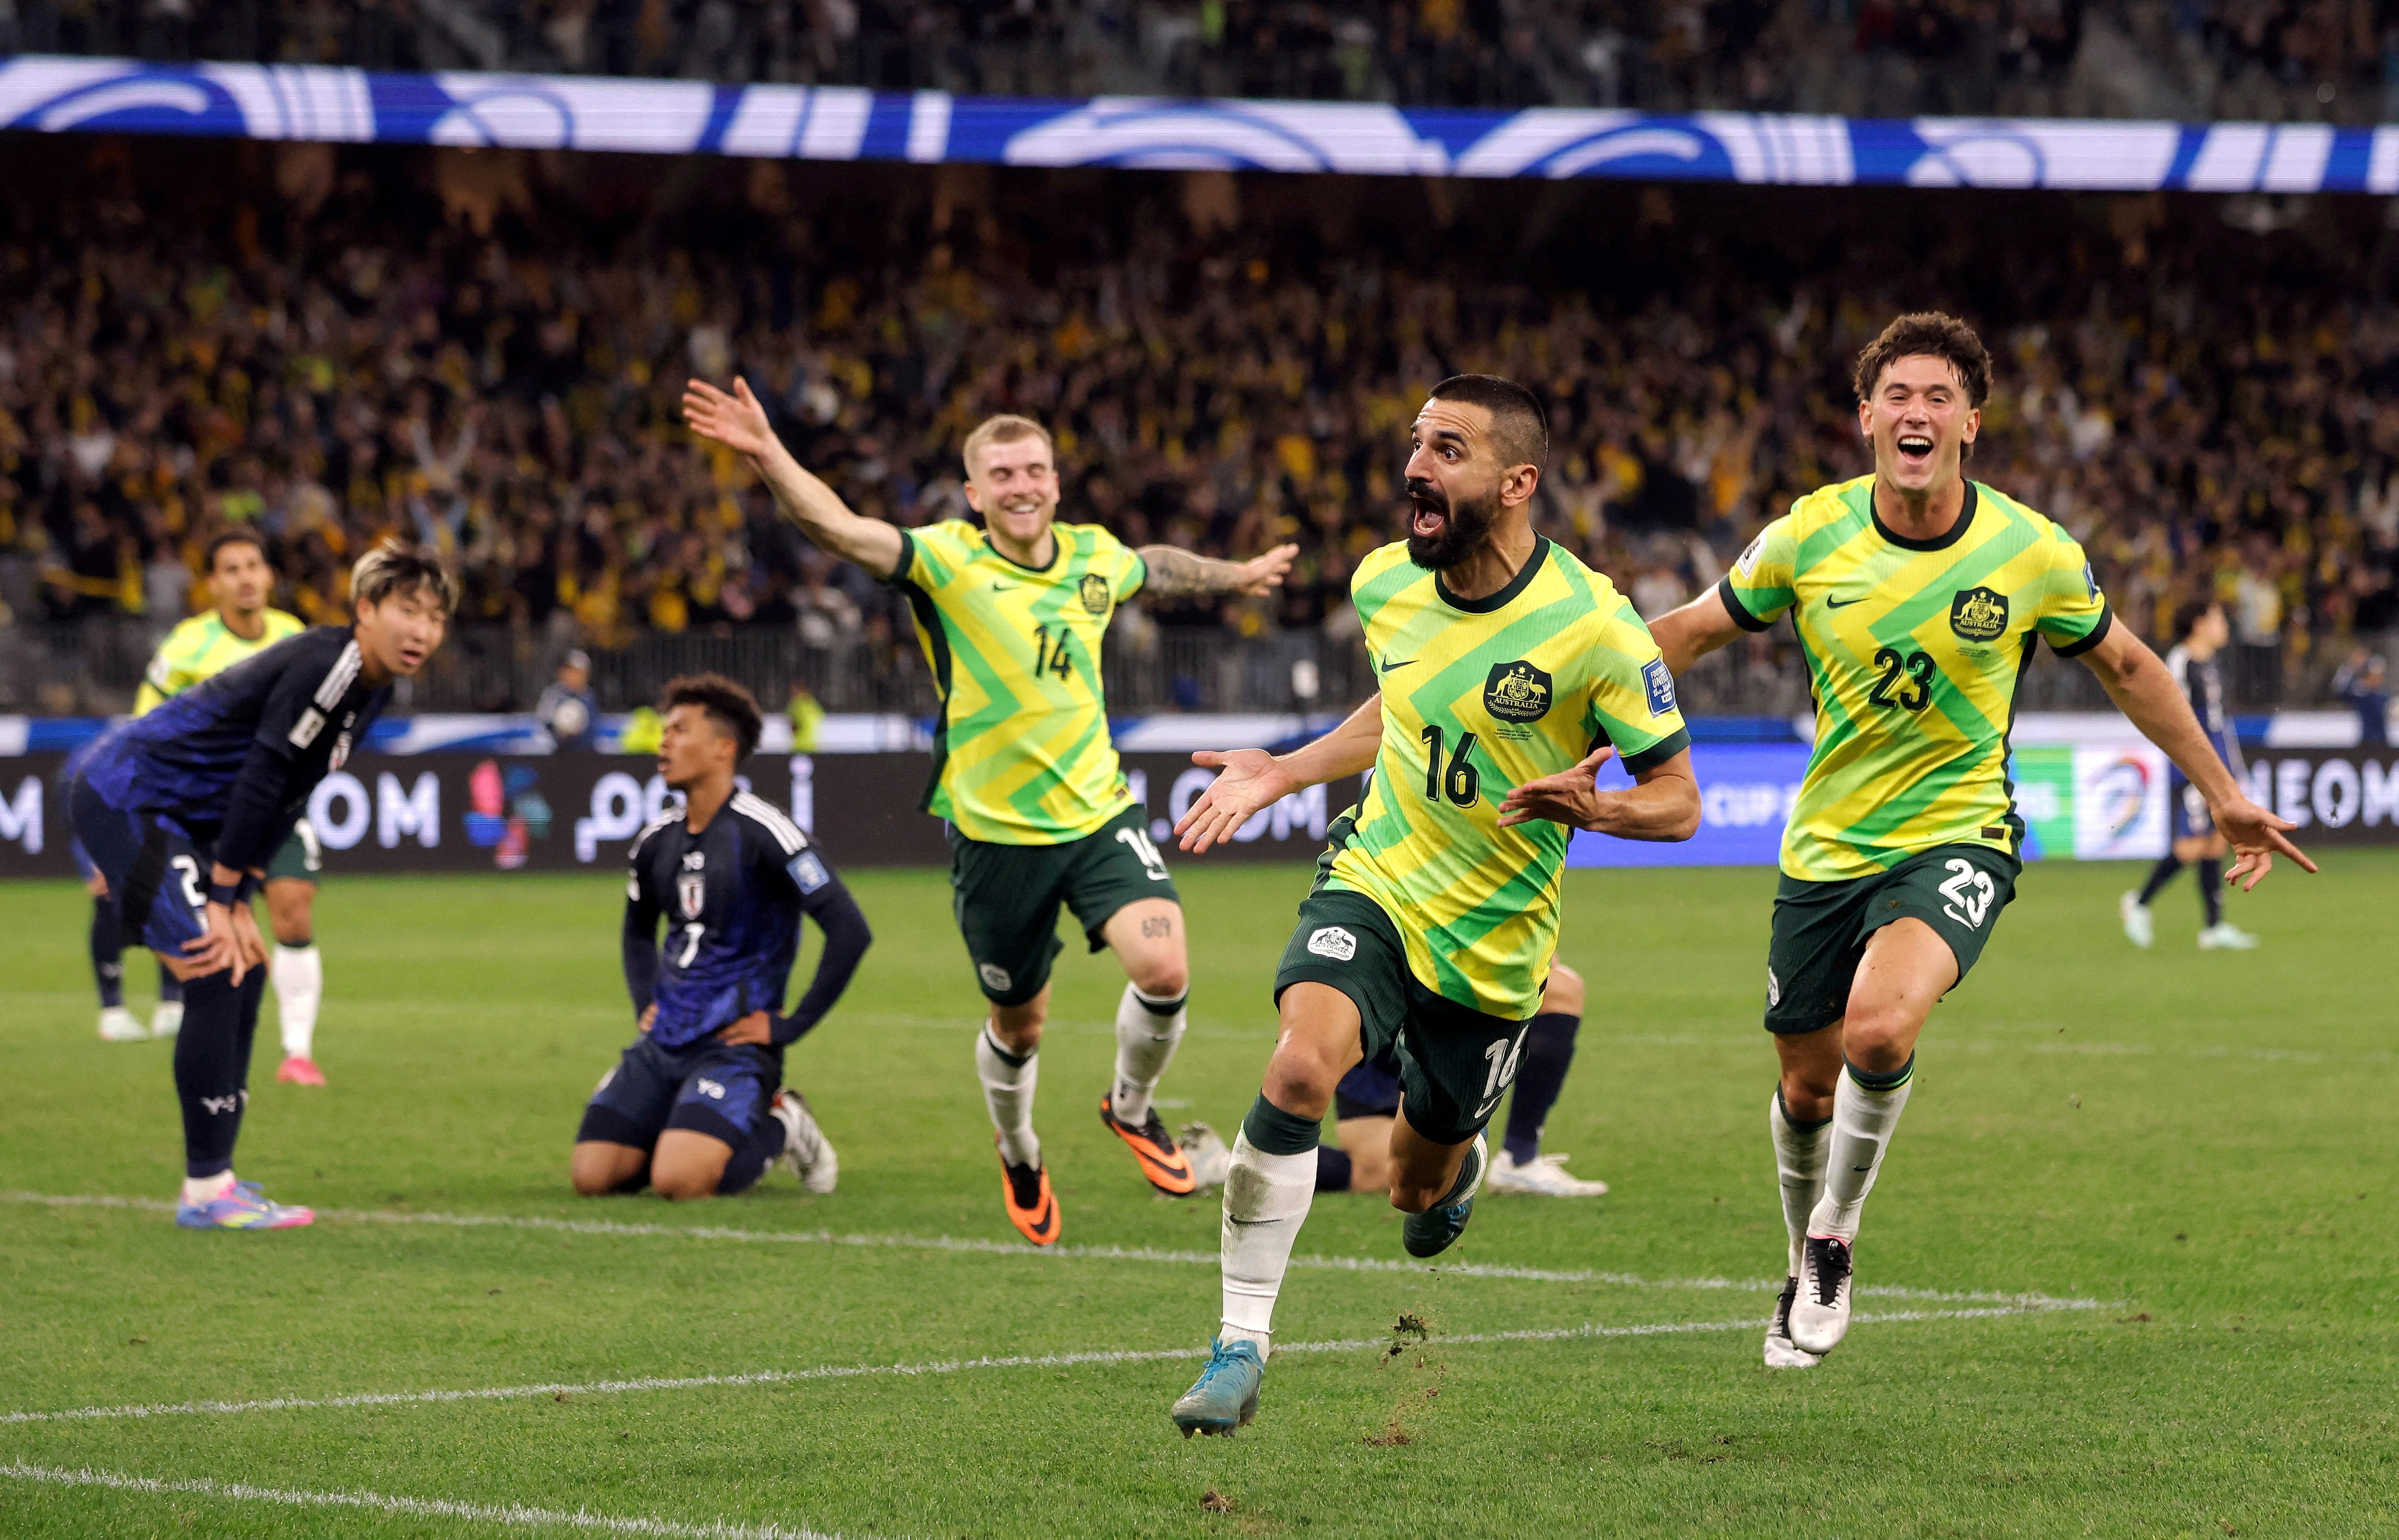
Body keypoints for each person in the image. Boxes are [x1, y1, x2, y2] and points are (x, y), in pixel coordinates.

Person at [1644, 313, 2312, 1368]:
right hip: (1825, 849)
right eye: (1897, 395)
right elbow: (1685, 632)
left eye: (1938, 397)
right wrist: (1584, 712)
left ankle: (1833, 1237)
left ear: (1971, 424)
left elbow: (2130, 667)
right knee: (1807, 1088)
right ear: (1865, 417)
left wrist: (2222, 793)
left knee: (1878, 1031)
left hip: (1960, 833)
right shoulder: (1808, 535)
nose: (1916, 412)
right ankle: (1799, 1255)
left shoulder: (2030, 550)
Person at [1163, 375, 1700, 1436]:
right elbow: (1403, 707)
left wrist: (1597, 810)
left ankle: (1458, 1165)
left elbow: (1680, 801)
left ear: (1517, 483)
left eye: (1448, 450)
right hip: (1378, 879)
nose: (1417, 466)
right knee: (1299, 1068)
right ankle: (1239, 1343)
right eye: (1417, 443)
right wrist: (1285, 770)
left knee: (1414, 1190)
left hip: (1494, 946)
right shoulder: (1384, 584)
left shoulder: (1596, 626)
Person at [683, 376, 1297, 1245]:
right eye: (1002, 474)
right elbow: (841, 528)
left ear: (1056, 481)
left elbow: (1152, 566)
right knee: (1021, 1023)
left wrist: (1237, 575)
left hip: (1098, 815)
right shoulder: (947, 562)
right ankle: (1018, 1147)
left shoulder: (1091, 556)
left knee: (1164, 970)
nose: (1022, 486)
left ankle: (1131, 1107)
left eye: (1034, 470)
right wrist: (767, 450)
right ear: (974, 493)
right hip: (996, 839)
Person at [68, 540, 456, 1230]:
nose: (423, 631)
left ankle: (217, 1181)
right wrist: (222, 899)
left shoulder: (372, 687)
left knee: (245, 965)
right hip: (127, 799)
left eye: (435, 618)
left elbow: (294, 792)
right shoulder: (329, 666)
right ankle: (206, 1191)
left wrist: (240, 897)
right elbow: (262, 778)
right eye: (408, 610)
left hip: (183, 819)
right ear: (366, 609)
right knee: (215, 965)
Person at [570, 674, 871, 1202]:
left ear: (723, 748)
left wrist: (791, 1025)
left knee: (680, 1183)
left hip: (733, 1048)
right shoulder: (655, 841)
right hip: (663, 1043)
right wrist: (645, 1003)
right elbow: (636, 932)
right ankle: (682, 1124)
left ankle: (783, 1122)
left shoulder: (766, 832)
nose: (663, 741)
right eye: (665, 730)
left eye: (679, 730)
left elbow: (849, 930)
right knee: (592, 1178)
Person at [113, 530, 337, 1082]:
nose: (245, 578)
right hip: (206, 810)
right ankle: (220, 1054)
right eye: (232, 569)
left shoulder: (293, 637)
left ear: (269, 576)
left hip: (275, 804)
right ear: (212, 584)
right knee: (219, 936)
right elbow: (147, 727)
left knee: (294, 906)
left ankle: (297, 1053)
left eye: (253, 566)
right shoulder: (186, 647)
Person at [1314, 965, 1608, 1198]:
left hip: (1460, 981)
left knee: (1558, 988)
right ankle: (1285, 1147)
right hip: (1388, 1000)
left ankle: (1520, 1158)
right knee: (1383, 1174)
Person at [2120, 601, 2258, 950]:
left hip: (2217, 766)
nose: (2224, 625)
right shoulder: (2181, 661)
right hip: (2194, 769)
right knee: (2191, 846)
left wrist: (2234, 771)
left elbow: (2219, 725)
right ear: (2199, 623)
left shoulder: (2211, 665)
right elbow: (2170, 717)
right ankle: (2139, 904)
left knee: (2215, 843)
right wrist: (2190, 766)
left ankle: (2214, 928)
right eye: (2218, 618)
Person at [537, 649, 600, 752]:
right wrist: (559, 731)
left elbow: (593, 727)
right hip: (558, 753)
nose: (576, 676)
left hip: (585, 752)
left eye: (581, 673)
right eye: (573, 672)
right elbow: (543, 723)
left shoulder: (589, 696)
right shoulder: (553, 695)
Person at [2332, 647, 2389, 747]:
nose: (2376, 679)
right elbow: (2340, 689)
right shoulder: (2362, 695)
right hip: (2366, 742)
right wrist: (2351, 667)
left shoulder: (2384, 695)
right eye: (2373, 675)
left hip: (2382, 743)